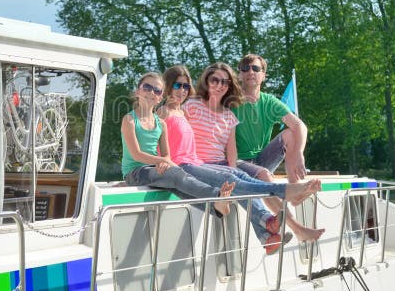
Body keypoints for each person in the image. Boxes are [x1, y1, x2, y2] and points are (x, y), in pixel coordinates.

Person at [158, 65, 323, 253]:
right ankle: (282, 201)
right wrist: (156, 162)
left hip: (217, 165)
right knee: (238, 179)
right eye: (215, 80)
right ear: (206, 81)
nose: (220, 85)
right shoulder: (191, 106)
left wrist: (233, 168)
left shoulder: (229, 116)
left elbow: (231, 153)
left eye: (224, 82)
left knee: (239, 177)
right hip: (198, 165)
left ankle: (267, 236)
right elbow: (169, 130)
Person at [121, 72, 235, 216]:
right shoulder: (130, 120)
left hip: (153, 169)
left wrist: (164, 162)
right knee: (177, 176)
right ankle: (217, 196)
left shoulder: (160, 123)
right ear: (138, 91)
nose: (151, 92)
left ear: (160, 98)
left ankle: (216, 209)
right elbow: (136, 155)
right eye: (147, 87)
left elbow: (167, 154)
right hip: (135, 172)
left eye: (157, 90)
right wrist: (162, 160)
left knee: (178, 185)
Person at [233, 54, 307, 184]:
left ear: (263, 75)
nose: (250, 71)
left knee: (291, 134)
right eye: (245, 68)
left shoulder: (270, 102)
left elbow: (300, 125)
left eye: (255, 68)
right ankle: (283, 199)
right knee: (265, 175)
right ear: (239, 74)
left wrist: (299, 153)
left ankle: (294, 187)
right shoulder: (230, 101)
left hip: (263, 160)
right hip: (238, 163)